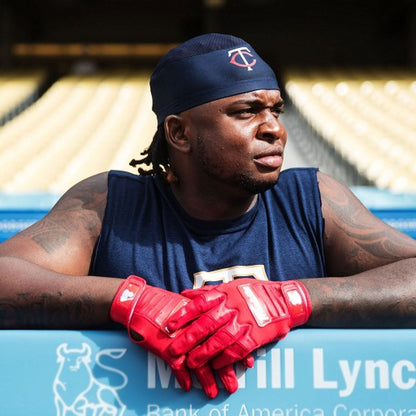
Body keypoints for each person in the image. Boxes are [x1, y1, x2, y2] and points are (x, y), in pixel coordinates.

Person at [1, 33, 416, 399]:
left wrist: (292, 299)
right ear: (180, 133)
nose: (273, 128)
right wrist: (130, 300)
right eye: (246, 111)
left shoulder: (311, 198)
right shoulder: (110, 205)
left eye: (276, 110)